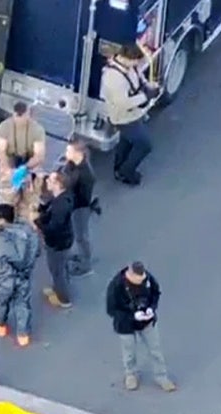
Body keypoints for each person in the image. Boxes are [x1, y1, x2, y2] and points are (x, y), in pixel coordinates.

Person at [105, 261, 176, 392]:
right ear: (129, 274)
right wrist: (132, 316)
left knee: (155, 350)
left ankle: (161, 377)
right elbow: (111, 310)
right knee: (129, 351)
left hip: (146, 321)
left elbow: (156, 293)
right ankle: (131, 374)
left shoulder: (147, 278)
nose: (140, 284)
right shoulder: (116, 285)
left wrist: (151, 309)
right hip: (125, 324)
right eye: (137, 281)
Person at [102, 43, 159, 185]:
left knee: (126, 142)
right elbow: (123, 103)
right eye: (136, 61)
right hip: (123, 118)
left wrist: (147, 86)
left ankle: (119, 168)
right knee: (144, 145)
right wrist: (147, 96)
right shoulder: (113, 78)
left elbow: (139, 77)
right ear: (128, 58)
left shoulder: (128, 66)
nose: (138, 64)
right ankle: (127, 171)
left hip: (131, 114)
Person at [0, 203, 41, 347]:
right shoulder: (29, 232)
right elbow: (36, 251)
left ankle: (0, 327)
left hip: (5, 279)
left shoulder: (1, 239)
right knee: (22, 303)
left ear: (2, 220)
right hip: (24, 276)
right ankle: (23, 335)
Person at [33, 170, 76, 309]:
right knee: (60, 268)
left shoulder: (60, 206)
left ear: (58, 184)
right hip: (62, 240)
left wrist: (37, 222)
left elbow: (52, 227)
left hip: (58, 243)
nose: (47, 182)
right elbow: (48, 208)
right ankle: (59, 288)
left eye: (50, 180)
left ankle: (63, 298)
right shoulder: (60, 197)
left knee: (57, 270)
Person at [62, 140, 98, 277]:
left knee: (81, 236)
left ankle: (86, 265)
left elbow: (83, 197)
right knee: (79, 235)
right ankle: (83, 257)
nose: (66, 153)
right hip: (75, 205)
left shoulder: (85, 175)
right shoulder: (73, 165)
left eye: (68, 151)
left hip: (80, 208)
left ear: (78, 153)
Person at [0, 101, 47, 171]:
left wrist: (24, 168)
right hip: (10, 157)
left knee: (37, 173)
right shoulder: (4, 126)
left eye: (22, 115)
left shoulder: (37, 129)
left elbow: (39, 155)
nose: (20, 118)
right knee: (4, 172)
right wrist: (8, 168)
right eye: (18, 115)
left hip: (30, 159)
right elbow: (1, 152)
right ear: (13, 114)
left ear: (28, 114)